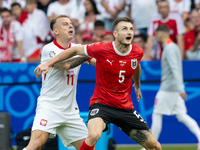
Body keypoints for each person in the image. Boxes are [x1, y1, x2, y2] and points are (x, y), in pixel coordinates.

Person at [34, 16, 162, 150]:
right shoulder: (99, 49)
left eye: (131, 29)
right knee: (92, 136)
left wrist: (137, 84)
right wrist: (48, 63)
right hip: (97, 105)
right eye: (124, 29)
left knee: (155, 147)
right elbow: (70, 59)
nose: (129, 32)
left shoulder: (137, 51)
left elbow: (136, 64)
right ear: (115, 34)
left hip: (120, 107)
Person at [23, 15, 96, 150]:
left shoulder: (78, 48)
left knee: (88, 148)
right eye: (65, 24)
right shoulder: (49, 49)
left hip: (70, 111)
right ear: (55, 31)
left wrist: (113, 62)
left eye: (70, 24)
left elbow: (98, 62)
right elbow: (67, 65)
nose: (70, 26)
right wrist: (89, 52)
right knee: (36, 144)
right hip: (49, 106)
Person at [143, 24, 200, 150]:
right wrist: (179, 88)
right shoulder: (171, 47)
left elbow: (175, 68)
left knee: (157, 113)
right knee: (182, 116)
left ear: (159, 35)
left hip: (168, 89)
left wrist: (180, 88)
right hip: (173, 88)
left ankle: (151, 146)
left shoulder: (169, 48)